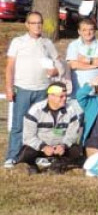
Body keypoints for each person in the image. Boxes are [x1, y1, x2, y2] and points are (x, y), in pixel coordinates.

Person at [5, 11, 63, 168]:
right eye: (33, 23)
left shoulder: (47, 43)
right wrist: (9, 88)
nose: (37, 26)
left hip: (43, 90)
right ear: (27, 25)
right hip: (23, 89)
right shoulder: (18, 42)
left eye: (39, 23)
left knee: (41, 125)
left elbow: (58, 63)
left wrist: (56, 71)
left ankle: (37, 155)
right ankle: (12, 156)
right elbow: (10, 67)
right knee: (19, 125)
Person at [18, 82, 84, 174]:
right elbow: (28, 137)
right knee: (27, 152)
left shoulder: (71, 110)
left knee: (76, 150)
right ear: (51, 96)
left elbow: (72, 135)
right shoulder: (35, 110)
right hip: (40, 147)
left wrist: (63, 145)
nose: (65, 99)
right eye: (61, 96)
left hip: (60, 148)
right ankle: (32, 166)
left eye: (65, 96)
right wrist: (43, 147)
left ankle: (59, 164)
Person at [66, 18, 98, 93]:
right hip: (78, 88)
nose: (88, 33)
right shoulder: (73, 45)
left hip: (97, 89)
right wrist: (96, 64)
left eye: (91, 29)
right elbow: (73, 64)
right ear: (79, 31)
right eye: (84, 30)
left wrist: (87, 60)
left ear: (94, 31)